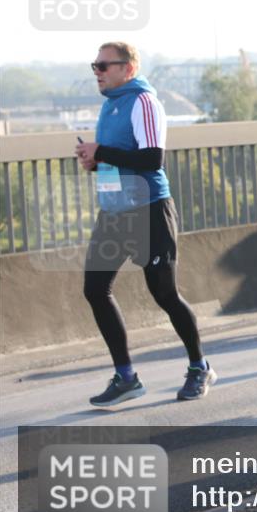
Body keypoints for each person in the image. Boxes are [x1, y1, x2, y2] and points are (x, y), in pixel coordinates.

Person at [75, 42, 214, 407]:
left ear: (129, 68)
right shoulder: (111, 106)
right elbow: (122, 159)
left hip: (149, 209)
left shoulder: (144, 102)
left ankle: (199, 367)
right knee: (95, 288)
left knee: (164, 293)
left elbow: (152, 159)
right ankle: (126, 377)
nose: (98, 72)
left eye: (104, 65)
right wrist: (96, 164)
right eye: (95, 66)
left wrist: (101, 152)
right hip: (114, 213)